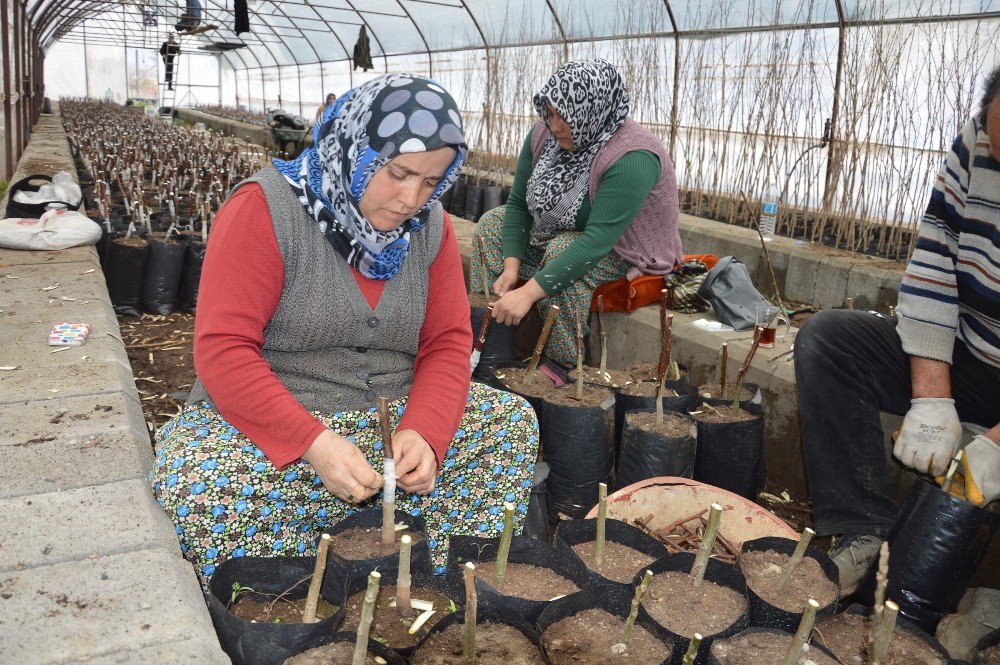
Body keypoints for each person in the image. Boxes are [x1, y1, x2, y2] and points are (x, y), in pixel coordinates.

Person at [150, 74, 539, 582]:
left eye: (430, 182)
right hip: (277, 418)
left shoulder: (432, 229)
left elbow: (446, 342)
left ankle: (440, 587)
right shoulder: (264, 210)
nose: (410, 199)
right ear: (357, 151)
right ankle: (292, 604)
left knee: (509, 423)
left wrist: (425, 430)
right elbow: (223, 350)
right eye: (398, 173)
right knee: (201, 480)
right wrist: (314, 443)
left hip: (392, 417)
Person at [794, 65, 1000, 595]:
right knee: (828, 343)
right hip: (973, 350)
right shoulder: (975, 145)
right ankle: (863, 530)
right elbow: (934, 263)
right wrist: (932, 394)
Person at [470, 59, 683, 367]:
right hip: (562, 233)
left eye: (565, 117)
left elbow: (596, 240)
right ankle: (491, 350)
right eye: (551, 112)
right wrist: (512, 269)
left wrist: (529, 293)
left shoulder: (633, 157)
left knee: (562, 253)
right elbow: (518, 205)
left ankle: (562, 366)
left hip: (627, 252)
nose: (555, 125)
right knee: (491, 225)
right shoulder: (545, 134)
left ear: (592, 111)